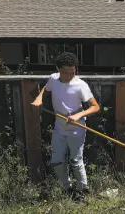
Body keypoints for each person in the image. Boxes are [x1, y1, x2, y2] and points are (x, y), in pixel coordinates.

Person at [31, 52, 100, 201]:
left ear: (75, 70)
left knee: (76, 161)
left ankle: (82, 191)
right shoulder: (53, 79)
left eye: (72, 72)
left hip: (77, 128)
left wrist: (78, 115)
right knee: (56, 160)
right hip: (59, 128)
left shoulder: (81, 85)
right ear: (58, 69)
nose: (68, 76)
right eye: (64, 72)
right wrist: (39, 97)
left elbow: (95, 107)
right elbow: (46, 88)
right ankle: (66, 188)